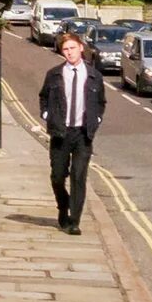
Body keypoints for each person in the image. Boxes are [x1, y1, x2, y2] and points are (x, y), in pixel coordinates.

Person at [38, 30, 105, 233]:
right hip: (60, 132)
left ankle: (74, 221)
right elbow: (43, 97)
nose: (69, 52)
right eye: (65, 49)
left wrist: (97, 119)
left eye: (72, 48)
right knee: (58, 176)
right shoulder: (54, 74)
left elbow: (101, 102)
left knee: (78, 176)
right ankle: (63, 205)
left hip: (83, 134)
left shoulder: (94, 75)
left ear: (81, 48)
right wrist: (47, 115)